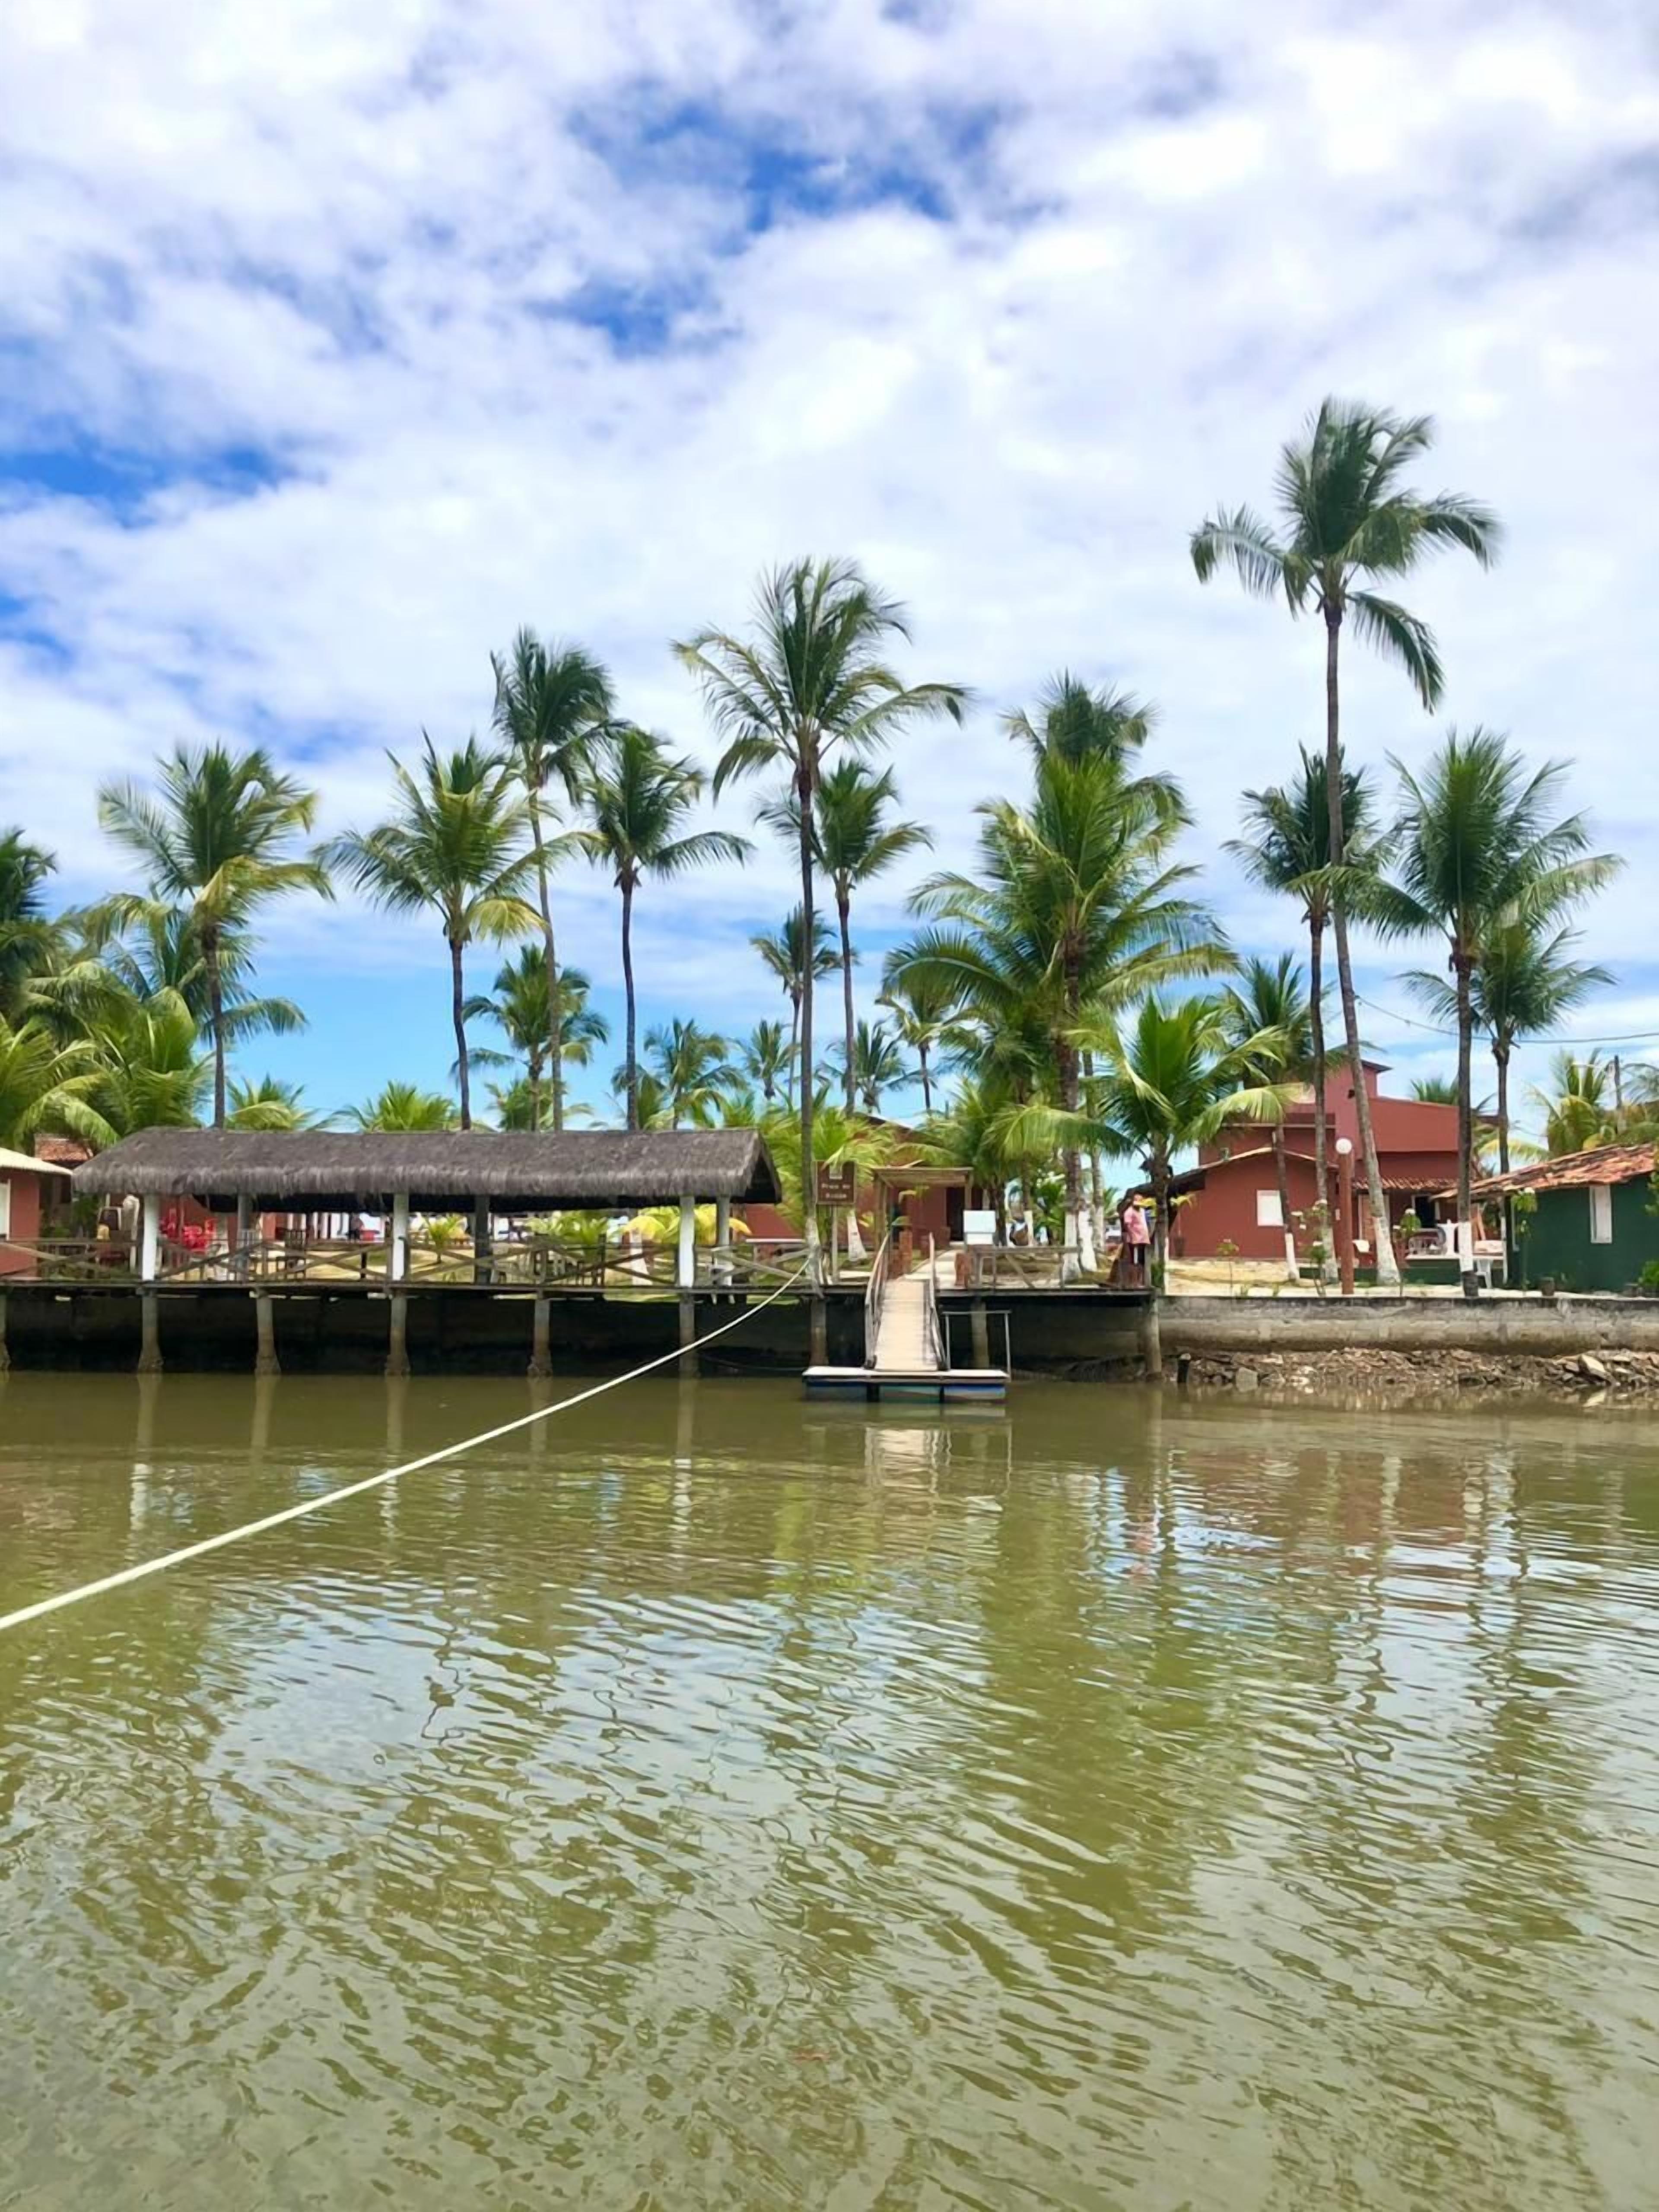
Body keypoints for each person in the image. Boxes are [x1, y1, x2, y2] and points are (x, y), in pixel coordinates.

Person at [1119, 1195, 1151, 1284]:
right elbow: (1127, 1225)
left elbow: (1145, 1223)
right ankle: (1133, 1280)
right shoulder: (1129, 1212)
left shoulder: (1142, 1211)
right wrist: (1132, 1235)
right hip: (1135, 1239)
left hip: (1143, 1238)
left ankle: (1141, 1279)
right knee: (1134, 1260)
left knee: (1142, 1259)